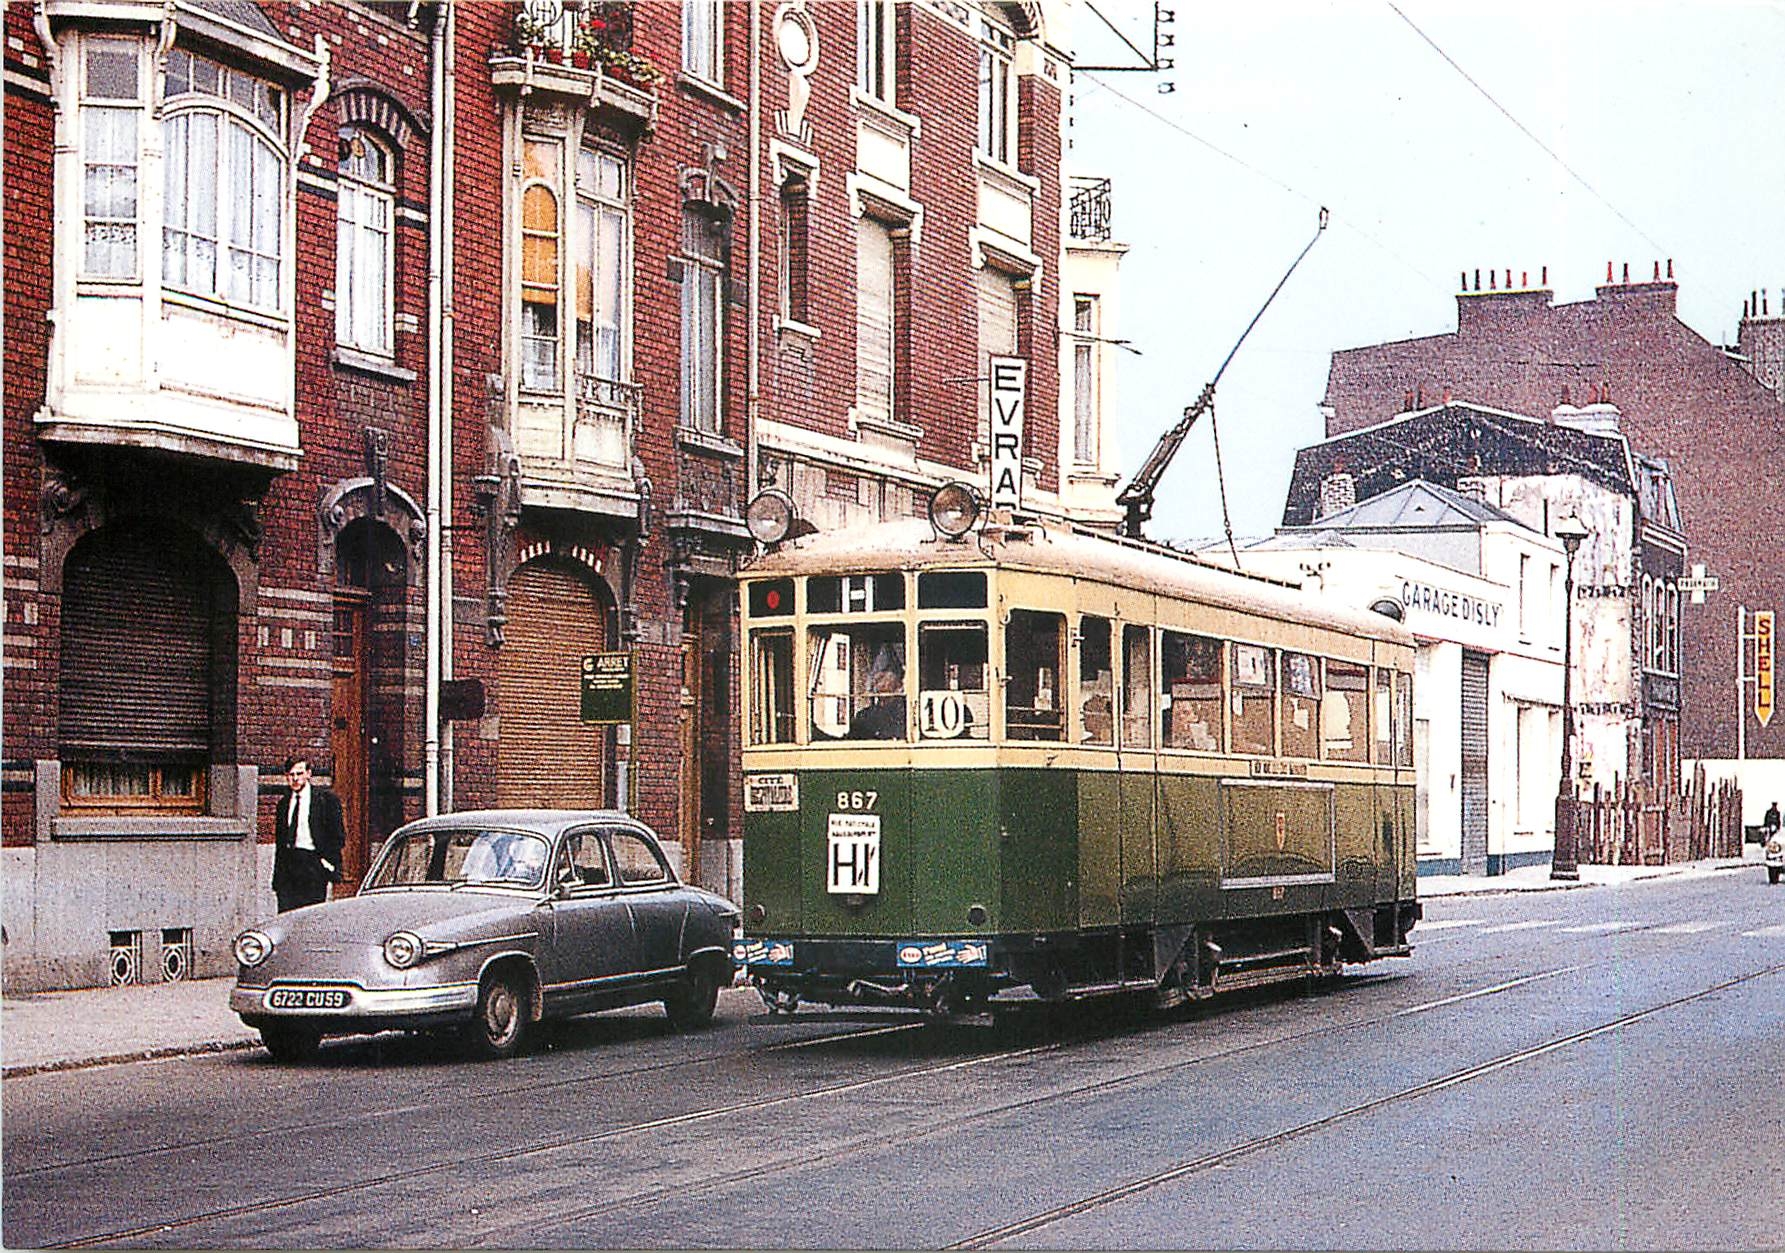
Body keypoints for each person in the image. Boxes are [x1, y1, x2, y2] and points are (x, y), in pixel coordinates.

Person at [272, 754, 346, 912]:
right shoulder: (284, 804)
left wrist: (325, 864)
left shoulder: (325, 801)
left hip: (313, 866)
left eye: (299, 774)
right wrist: (277, 877)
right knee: (287, 915)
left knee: (310, 915)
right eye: (291, 775)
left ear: (308, 774)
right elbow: (280, 843)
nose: (295, 779)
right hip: (289, 867)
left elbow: (338, 837)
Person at [849, 647, 907, 740]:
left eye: (883, 674)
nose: (876, 679)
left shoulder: (907, 713)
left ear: (898, 679)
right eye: (875, 674)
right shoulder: (864, 717)